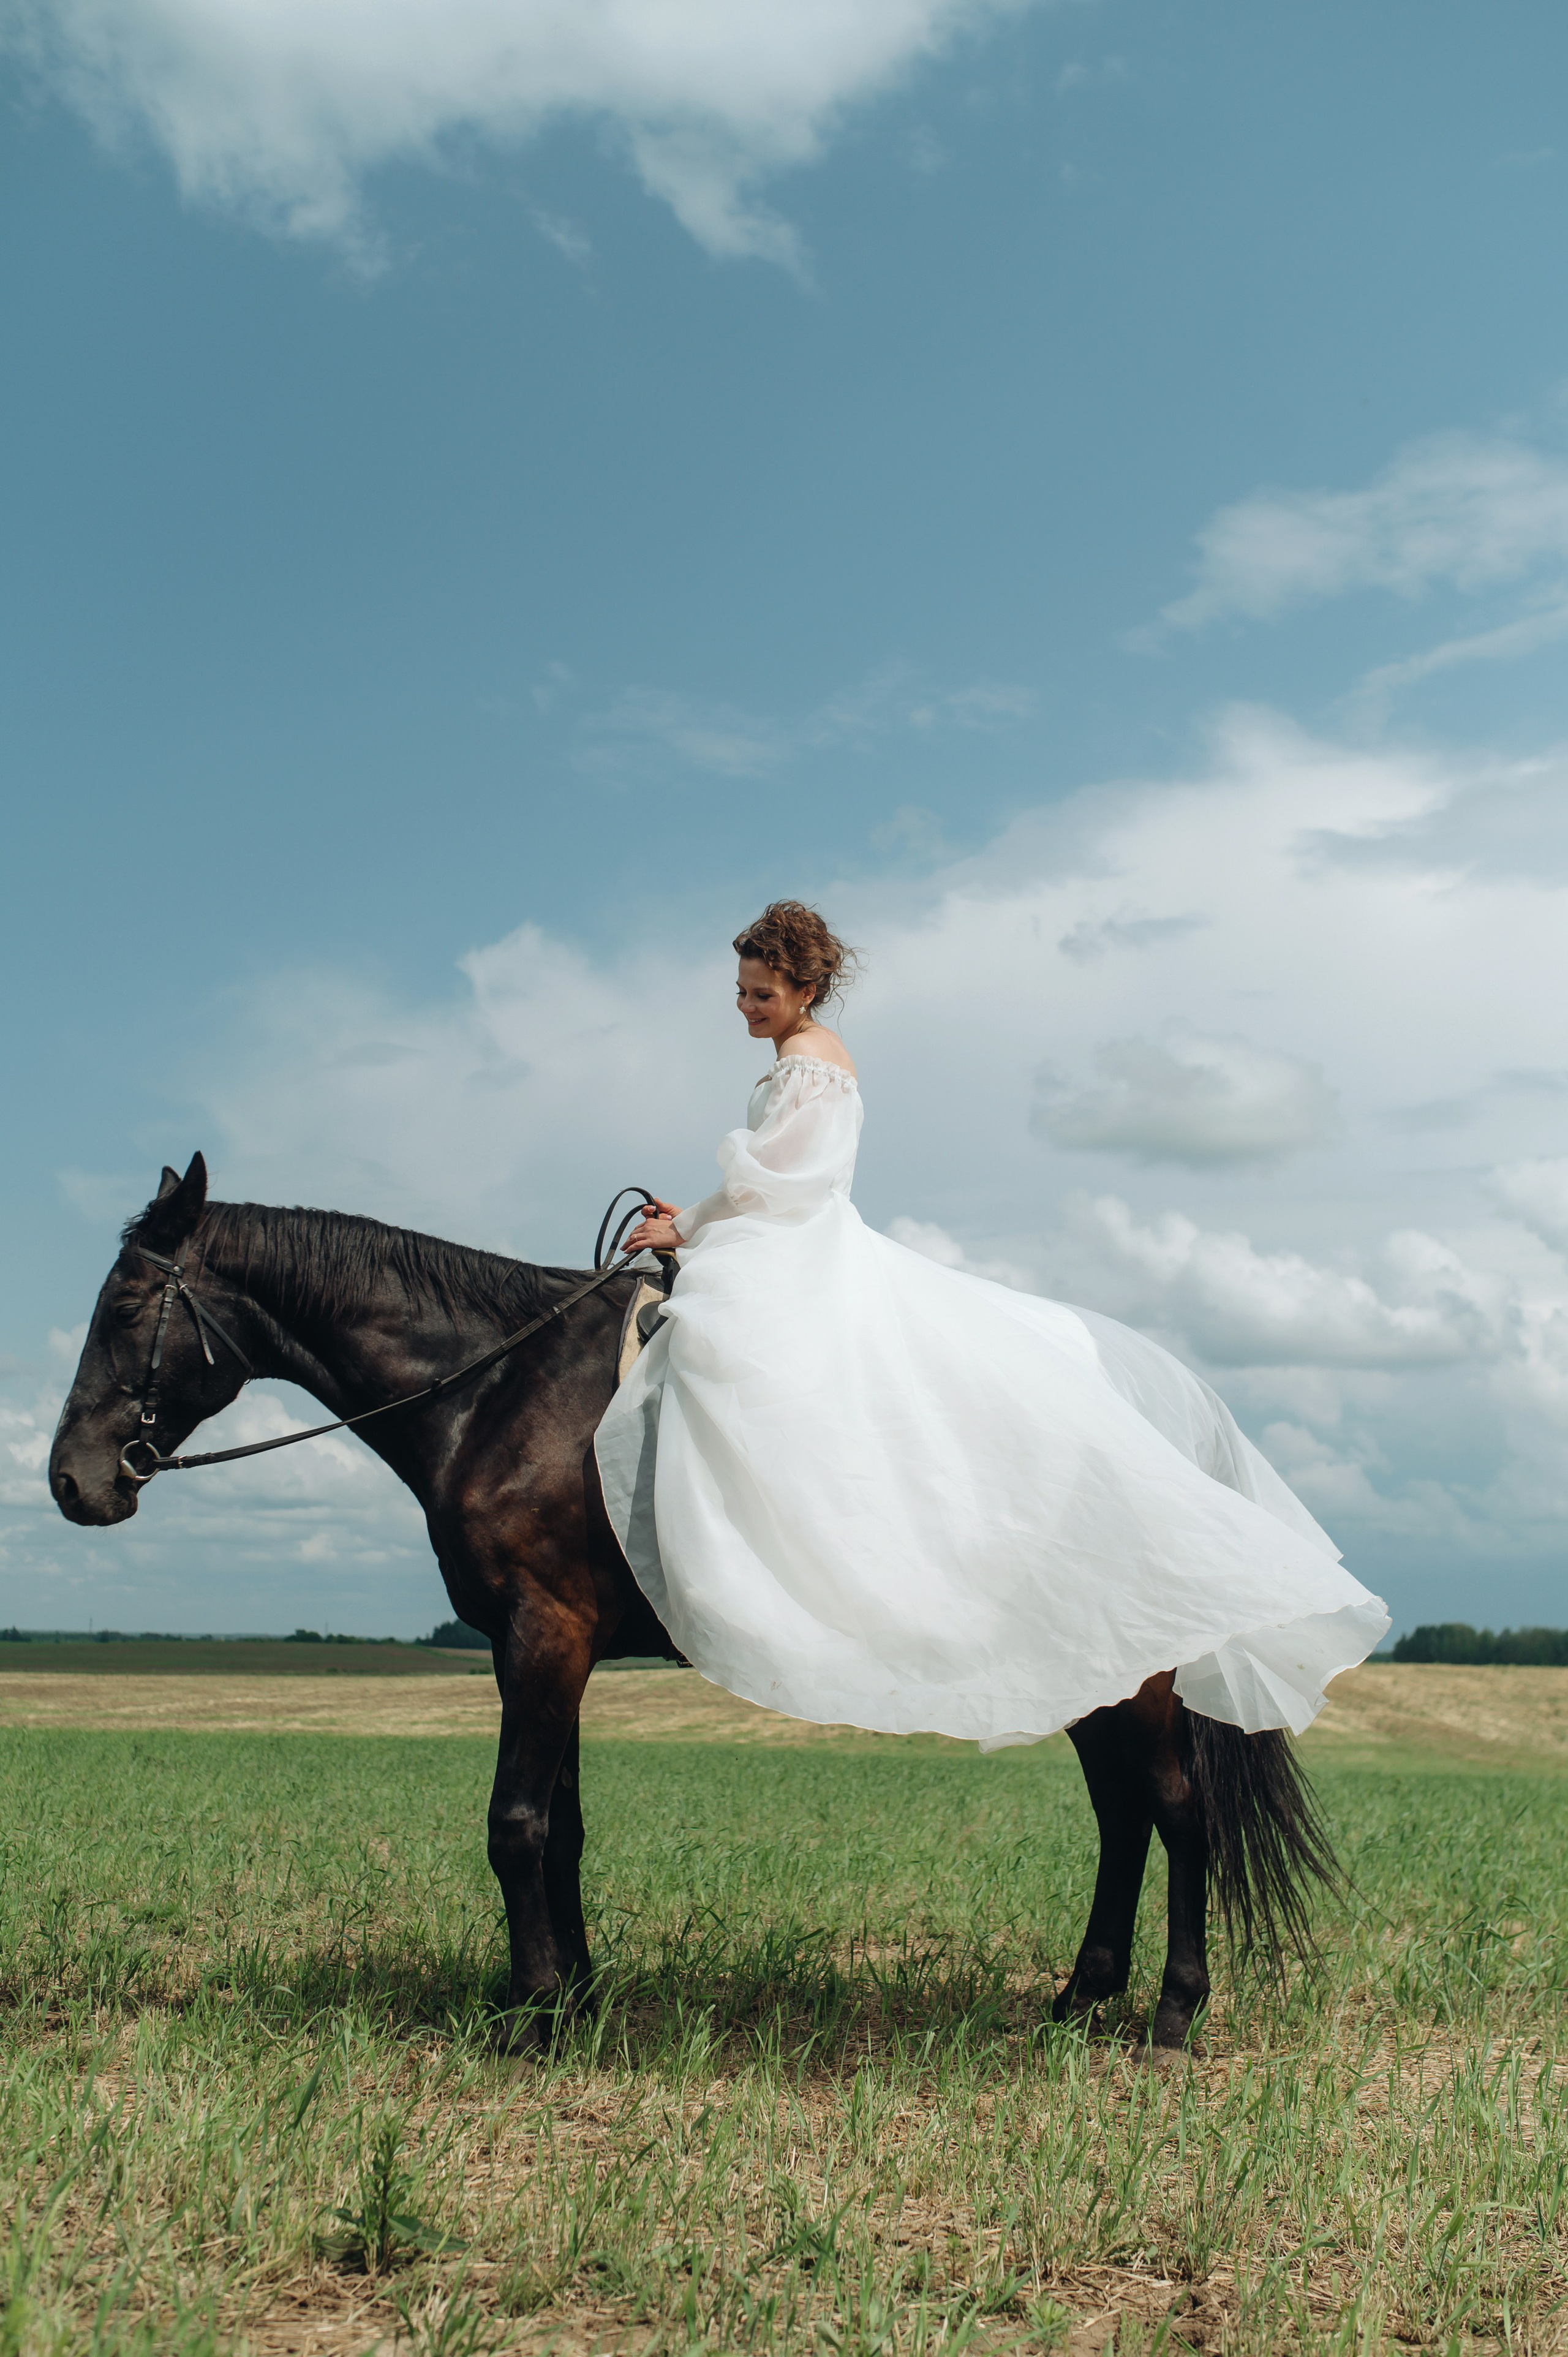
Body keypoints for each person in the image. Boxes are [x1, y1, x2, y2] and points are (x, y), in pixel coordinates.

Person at [595, 901, 1388, 1748]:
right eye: (742, 992)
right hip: (784, 1230)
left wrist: (693, 1225)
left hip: (795, 1239)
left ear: (806, 989)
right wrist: (710, 1216)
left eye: (761, 994)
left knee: (738, 1362)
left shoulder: (808, 1061)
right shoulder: (802, 1055)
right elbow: (775, 1178)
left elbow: (784, 1178)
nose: (746, 1007)